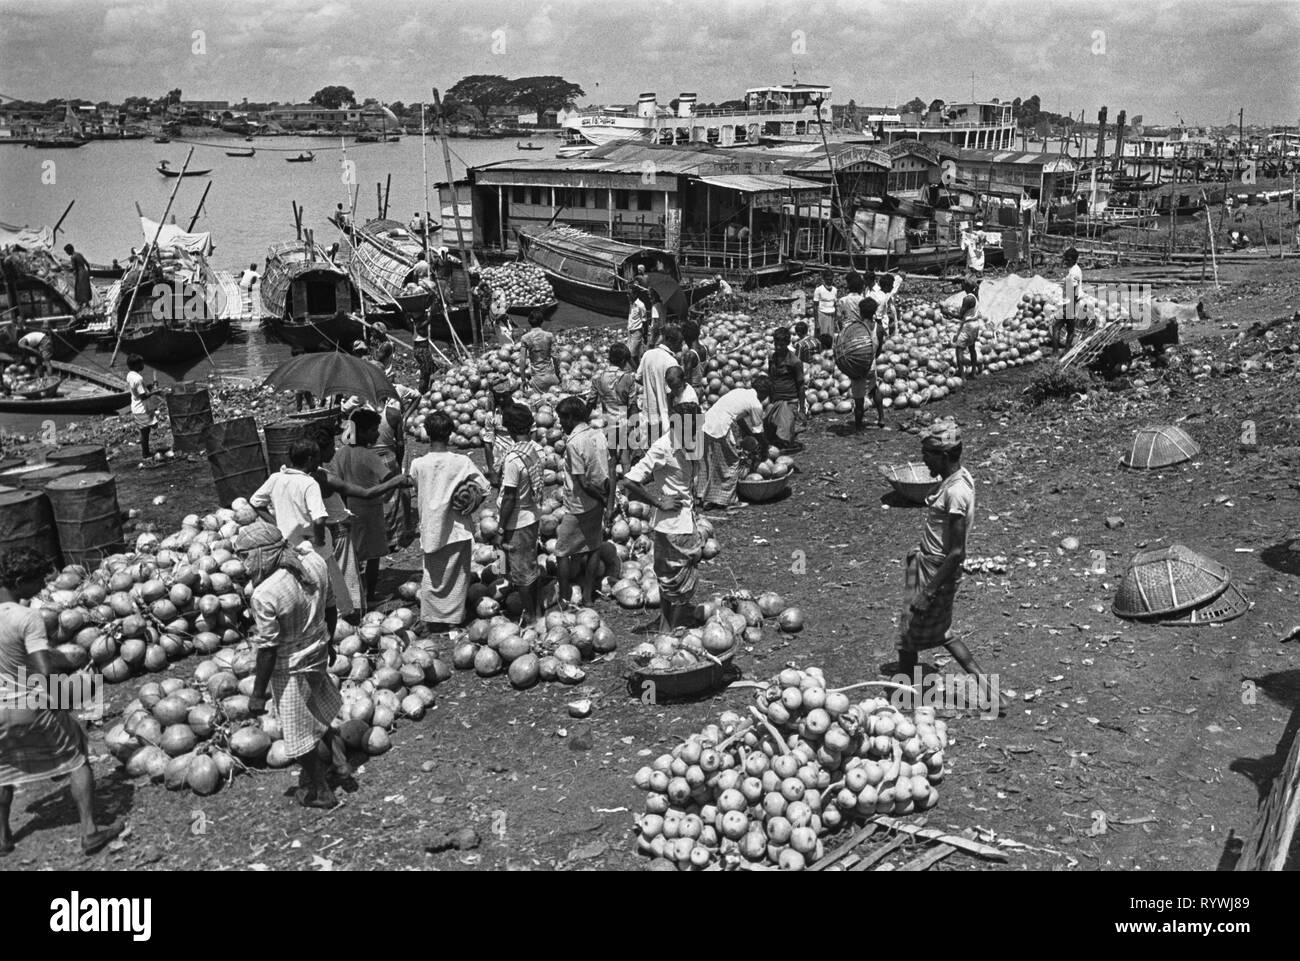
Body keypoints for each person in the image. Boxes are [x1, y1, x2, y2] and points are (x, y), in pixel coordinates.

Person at [0, 548, 125, 856]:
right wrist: (66, 699)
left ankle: (2, 838)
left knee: (2, 770)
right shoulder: (26, 617)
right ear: (18, 581)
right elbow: (43, 672)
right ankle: (90, 832)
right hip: (28, 703)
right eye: (36, 581)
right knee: (78, 756)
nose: (42, 587)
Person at [888, 419, 1004, 715]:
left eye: (927, 454)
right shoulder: (960, 478)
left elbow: (955, 552)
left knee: (908, 638)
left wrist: (928, 590)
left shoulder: (955, 493)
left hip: (936, 572)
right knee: (944, 633)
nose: (924, 459)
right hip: (931, 564)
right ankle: (992, 694)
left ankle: (905, 702)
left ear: (943, 455)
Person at [239, 522, 348, 809]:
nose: (243, 564)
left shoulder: (264, 594)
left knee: (296, 732)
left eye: (246, 555)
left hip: (291, 668)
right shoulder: (313, 562)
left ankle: (322, 792)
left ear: (263, 553)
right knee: (318, 704)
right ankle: (339, 761)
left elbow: (268, 648)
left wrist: (257, 694)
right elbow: (330, 606)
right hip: (318, 652)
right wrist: (329, 642)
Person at [620, 399, 705, 630]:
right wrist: (658, 501)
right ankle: (669, 628)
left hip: (686, 521)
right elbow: (630, 480)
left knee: (676, 579)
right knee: (674, 581)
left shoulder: (693, 442)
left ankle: (666, 625)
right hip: (672, 526)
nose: (693, 434)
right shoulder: (662, 447)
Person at [410, 411, 490, 633]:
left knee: (433, 575)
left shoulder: (418, 464)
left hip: (431, 527)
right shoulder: (461, 462)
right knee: (457, 575)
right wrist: (471, 504)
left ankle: (431, 618)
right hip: (457, 528)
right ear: (451, 433)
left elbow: (416, 488)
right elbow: (484, 487)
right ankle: (454, 617)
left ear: (426, 431)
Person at [331, 409, 397, 605]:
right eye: (374, 430)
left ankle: (353, 595)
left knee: (353, 554)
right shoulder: (369, 455)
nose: (377, 434)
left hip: (347, 508)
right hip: (370, 510)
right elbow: (387, 478)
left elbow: (336, 479)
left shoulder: (341, 453)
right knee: (374, 555)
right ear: (363, 432)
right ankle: (369, 596)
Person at [555, 396, 609, 607]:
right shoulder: (598, 434)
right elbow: (607, 469)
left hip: (579, 504)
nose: (560, 423)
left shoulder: (573, 443)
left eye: (562, 419)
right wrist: (605, 500)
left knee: (561, 551)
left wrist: (601, 497)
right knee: (594, 547)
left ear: (570, 417)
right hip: (596, 503)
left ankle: (564, 597)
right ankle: (588, 597)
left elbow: (583, 482)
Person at [495, 403, 546, 621]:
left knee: (522, 573)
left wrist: (500, 528)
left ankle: (532, 617)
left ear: (508, 428)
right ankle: (537, 609)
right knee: (529, 564)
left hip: (517, 521)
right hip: (533, 515)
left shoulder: (513, 459)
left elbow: (509, 497)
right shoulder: (536, 450)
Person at [696, 374, 769, 510]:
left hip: (706, 423)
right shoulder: (756, 404)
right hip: (720, 428)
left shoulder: (740, 391)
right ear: (765, 393)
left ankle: (705, 498)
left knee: (710, 463)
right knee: (731, 462)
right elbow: (759, 432)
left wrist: (747, 434)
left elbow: (740, 419)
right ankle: (730, 501)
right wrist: (765, 448)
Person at [249, 440, 328, 549]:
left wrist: (276, 524)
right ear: (310, 459)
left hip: (287, 545)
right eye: (318, 457)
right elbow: (319, 520)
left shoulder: (276, 478)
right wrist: (319, 541)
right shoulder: (309, 483)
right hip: (309, 547)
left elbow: (255, 502)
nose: (319, 461)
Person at [591, 342, 638, 495]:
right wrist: (634, 422)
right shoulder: (628, 378)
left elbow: (591, 401)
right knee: (625, 459)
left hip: (607, 422)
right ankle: (628, 494)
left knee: (611, 460)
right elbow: (632, 404)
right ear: (624, 361)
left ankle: (611, 493)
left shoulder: (598, 377)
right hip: (624, 421)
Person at [636, 324, 684, 448]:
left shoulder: (648, 354)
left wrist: (651, 386)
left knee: (650, 451)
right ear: (669, 341)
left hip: (648, 412)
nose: (681, 346)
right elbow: (671, 393)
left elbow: (639, 378)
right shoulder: (671, 362)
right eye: (679, 342)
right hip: (665, 416)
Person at [844, 297, 887, 431]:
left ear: (861, 312)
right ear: (874, 312)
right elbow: (879, 350)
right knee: (874, 389)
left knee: (859, 399)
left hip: (858, 368)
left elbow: (849, 348)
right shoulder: (879, 329)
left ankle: (858, 426)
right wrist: (872, 358)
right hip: (871, 365)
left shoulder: (856, 328)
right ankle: (881, 418)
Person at [764, 327, 805, 453]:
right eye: (776, 344)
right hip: (776, 399)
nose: (778, 348)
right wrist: (770, 400)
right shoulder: (772, 358)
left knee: (784, 435)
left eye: (781, 345)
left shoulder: (795, 362)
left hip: (790, 400)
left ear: (787, 344)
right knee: (767, 429)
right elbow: (771, 378)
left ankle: (788, 440)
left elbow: (801, 385)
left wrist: (802, 409)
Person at [125, 353, 162, 465]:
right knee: (145, 432)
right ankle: (145, 454)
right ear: (136, 365)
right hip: (141, 408)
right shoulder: (138, 378)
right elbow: (143, 396)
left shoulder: (130, 375)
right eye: (141, 363)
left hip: (136, 407)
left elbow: (140, 390)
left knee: (144, 431)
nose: (143, 365)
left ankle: (146, 452)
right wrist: (156, 391)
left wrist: (150, 386)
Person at [519, 310, 560, 392]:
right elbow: (555, 357)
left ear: (529, 322)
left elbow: (522, 361)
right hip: (552, 377)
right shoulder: (549, 336)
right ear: (542, 321)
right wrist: (557, 374)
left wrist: (523, 380)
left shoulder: (525, 338)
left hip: (538, 380)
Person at [1055, 247, 1083, 353]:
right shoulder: (1072, 269)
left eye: (1068, 258)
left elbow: (1074, 288)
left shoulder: (1075, 271)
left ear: (1073, 258)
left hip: (1071, 302)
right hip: (1069, 302)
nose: (1066, 260)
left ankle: (1057, 352)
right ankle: (1064, 351)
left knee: (1057, 327)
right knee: (1068, 328)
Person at [953, 294, 982, 379]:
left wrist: (948, 313)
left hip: (968, 325)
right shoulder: (975, 296)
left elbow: (960, 316)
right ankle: (973, 373)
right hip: (975, 324)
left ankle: (962, 376)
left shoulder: (967, 299)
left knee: (959, 350)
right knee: (972, 348)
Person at [833, 271, 865, 347]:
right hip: (860, 330)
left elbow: (838, 317)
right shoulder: (863, 300)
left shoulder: (842, 300)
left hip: (846, 330)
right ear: (860, 288)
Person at [679, 319, 709, 396]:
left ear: (685, 337)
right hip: (701, 388)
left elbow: (687, 379)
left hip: (693, 390)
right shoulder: (705, 348)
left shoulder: (689, 355)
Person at [867, 273, 901, 337]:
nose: (892, 287)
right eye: (891, 285)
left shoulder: (883, 295)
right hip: (880, 330)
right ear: (886, 286)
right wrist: (882, 331)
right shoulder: (881, 298)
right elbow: (877, 318)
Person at [412, 308, 436, 394]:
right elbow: (428, 320)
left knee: (429, 370)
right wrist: (431, 313)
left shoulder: (417, 323)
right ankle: (422, 392)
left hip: (423, 349)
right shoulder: (419, 325)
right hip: (421, 350)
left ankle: (425, 389)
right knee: (425, 373)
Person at [62, 243, 91, 309]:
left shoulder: (73, 257)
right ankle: (86, 303)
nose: (67, 253)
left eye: (66, 252)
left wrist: (64, 269)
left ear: (69, 250)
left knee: (79, 289)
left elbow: (74, 269)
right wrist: (88, 273)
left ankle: (82, 304)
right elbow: (87, 264)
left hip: (80, 274)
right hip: (85, 272)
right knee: (85, 288)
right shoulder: (79, 254)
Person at [813, 269, 838, 340]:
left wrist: (836, 319)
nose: (829, 281)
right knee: (822, 336)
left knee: (831, 336)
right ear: (823, 279)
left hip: (832, 316)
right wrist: (817, 322)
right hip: (822, 315)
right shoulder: (818, 290)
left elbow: (835, 305)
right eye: (827, 279)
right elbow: (815, 306)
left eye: (831, 279)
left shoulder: (835, 290)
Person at [961, 219, 987, 287]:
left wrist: (964, 233)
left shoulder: (976, 233)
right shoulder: (984, 233)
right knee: (980, 260)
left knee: (973, 260)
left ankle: (974, 272)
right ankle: (980, 273)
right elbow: (984, 240)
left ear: (978, 227)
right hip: (981, 248)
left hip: (975, 248)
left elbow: (974, 237)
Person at [626, 289, 649, 363]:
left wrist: (645, 334)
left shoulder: (640, 305)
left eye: (629, 294)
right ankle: (637, 369)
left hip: (637, 332)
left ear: (635, 295)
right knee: (629, 353)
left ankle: (637, 370)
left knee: (633, 354)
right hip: (630, 331)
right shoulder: (631, 304)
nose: (627, 295)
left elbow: (644, 321)